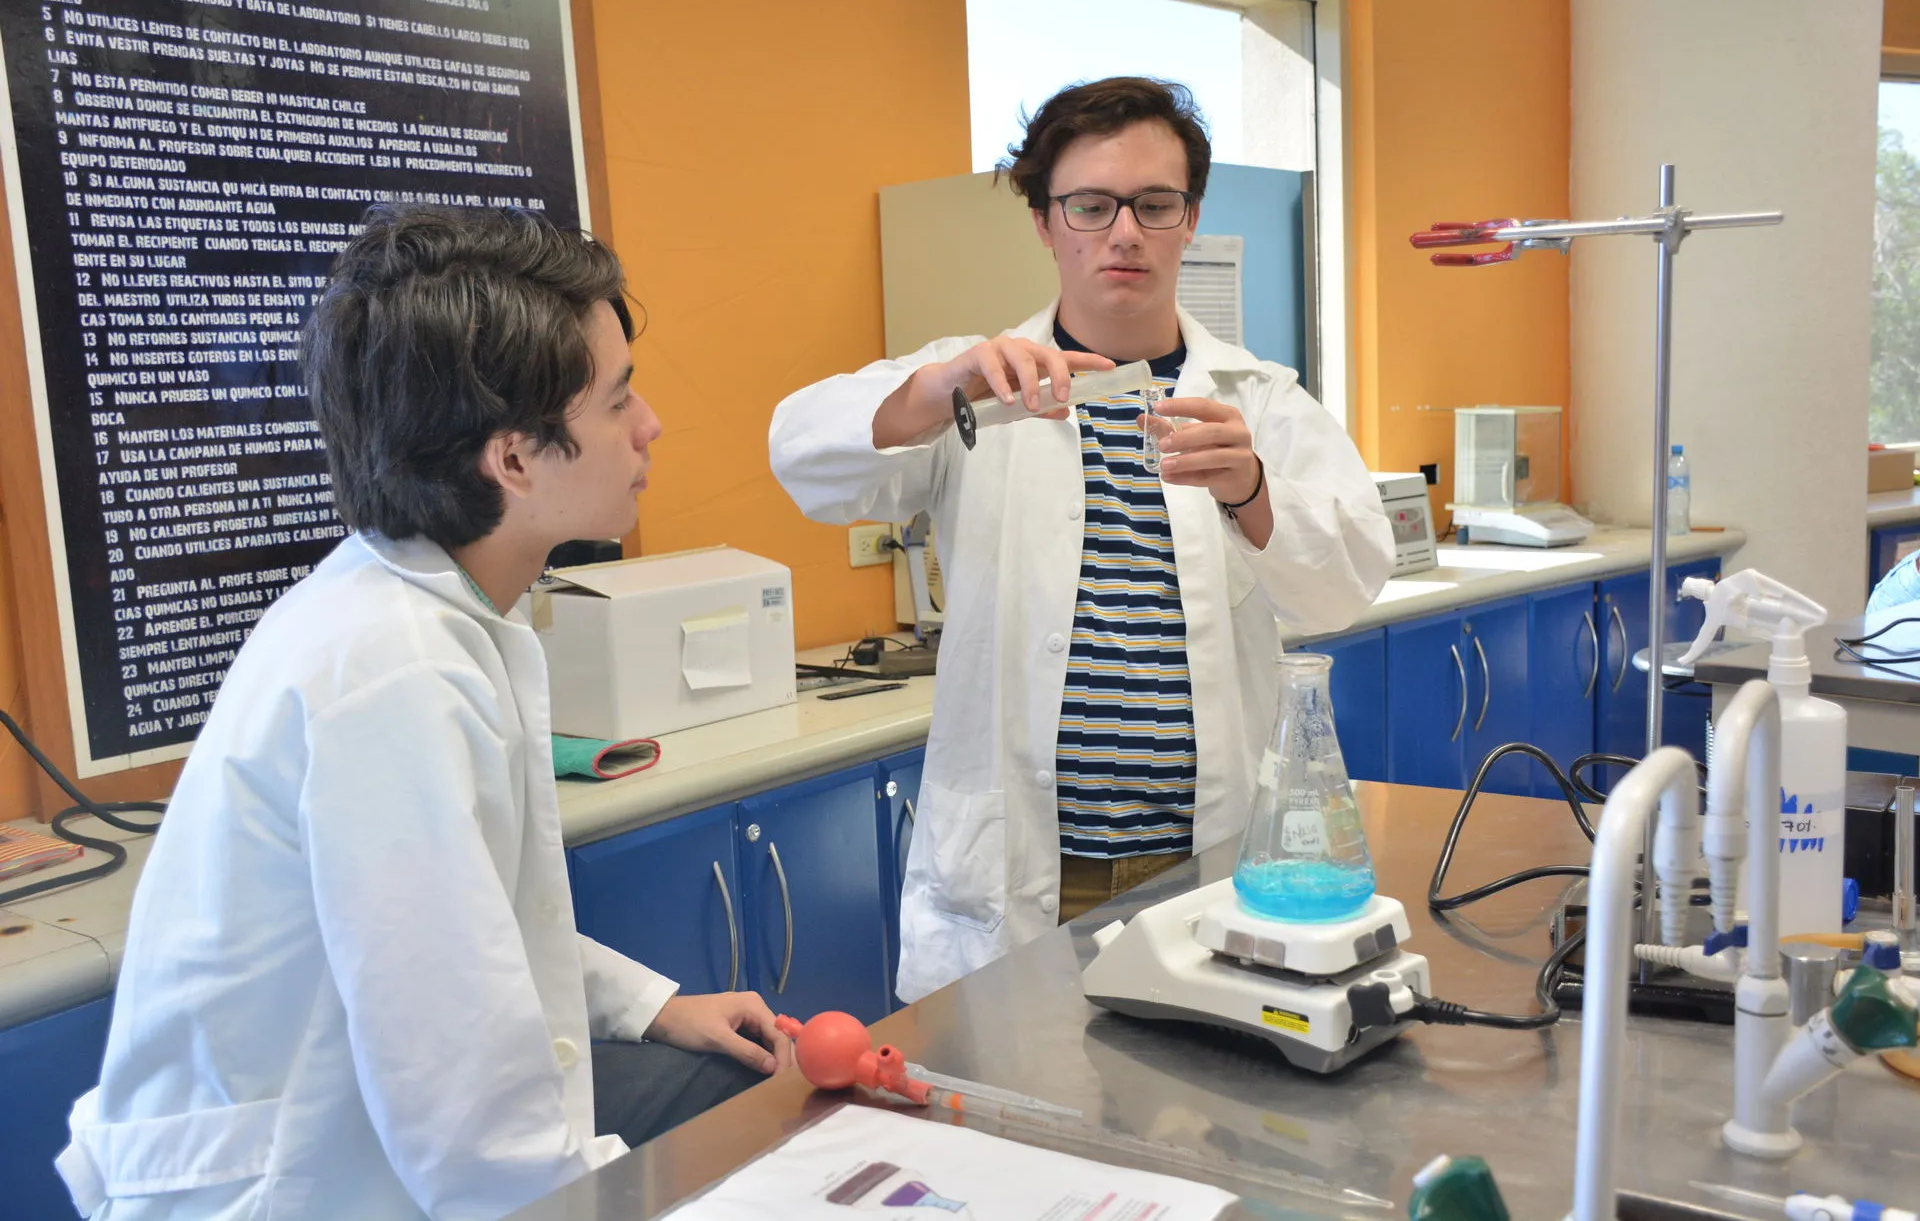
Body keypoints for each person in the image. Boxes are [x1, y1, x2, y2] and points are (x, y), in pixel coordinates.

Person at [55, 206, 792, 1221]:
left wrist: (653, 1006)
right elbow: (475, 1127)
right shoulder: (393, 670)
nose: (649, 424)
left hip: (363, 1129)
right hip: (290, 1185)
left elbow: (471, 931)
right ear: (514, 460)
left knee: (723, 1093)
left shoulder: (434, 612)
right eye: (619, 399)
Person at [769, 77, 1393, 1003]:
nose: (1125, 232)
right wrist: (945, 389)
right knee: (1016, 1124)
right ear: (1045, 221)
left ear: (1190, 219)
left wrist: (1252, 488)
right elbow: (803, 457)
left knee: (1194, 1120)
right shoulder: (974, 386)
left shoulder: (1258, 399)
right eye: (1092, 205)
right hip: (1026, 874)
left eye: (1155, 204)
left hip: (1201, 866)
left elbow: (1348, 585)